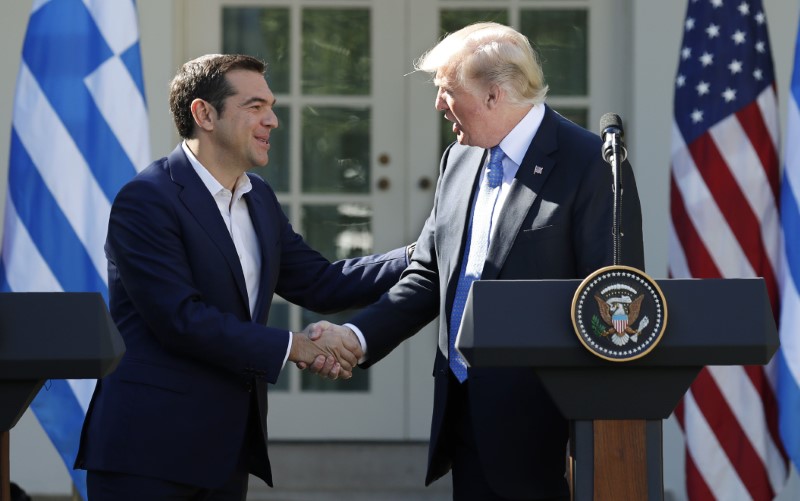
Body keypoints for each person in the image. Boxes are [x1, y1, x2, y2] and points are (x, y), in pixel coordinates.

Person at [313, 23, 645, 500]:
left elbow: (613, 304)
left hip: (547, 431)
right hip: (465, 412)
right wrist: (356, 338)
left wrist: (589, 435)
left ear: (494, 95)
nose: (437, 104)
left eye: (447, 91)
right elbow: (430, 274)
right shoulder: (459, 159)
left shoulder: (591, 164)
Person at [74, 54, 411, 500]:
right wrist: (297, 347)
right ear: (204, 114)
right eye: (255, 106)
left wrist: (421, 253)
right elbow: (182, 320)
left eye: (270, 106)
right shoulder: (147, 199)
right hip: (147, 452)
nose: (272, 120)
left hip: (225, 453)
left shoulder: (259, 199)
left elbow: (322, 283)